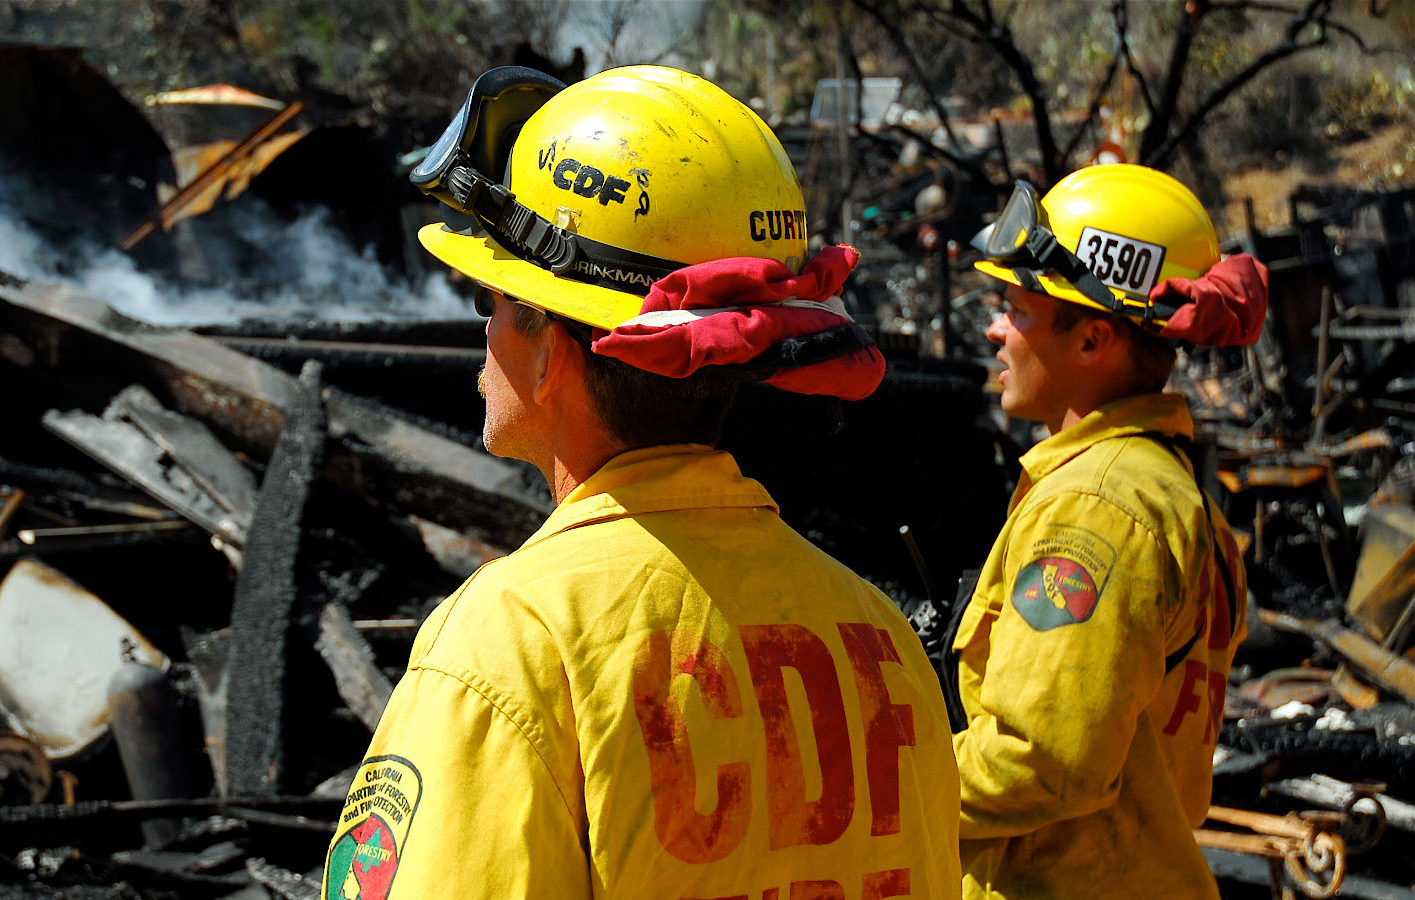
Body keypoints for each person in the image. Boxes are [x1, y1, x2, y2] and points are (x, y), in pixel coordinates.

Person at [321, 65, 961, 900]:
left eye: (491, 299)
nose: (482, 341)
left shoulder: (517, 642)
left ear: (550, 347)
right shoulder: (879, 638)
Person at [949, 163, 1269, 899]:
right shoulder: (1170, 488)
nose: (997, 329)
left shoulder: (1096, 507)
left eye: (1018, 310)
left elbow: (1040, 763)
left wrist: (882, 779)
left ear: (1093, 341)